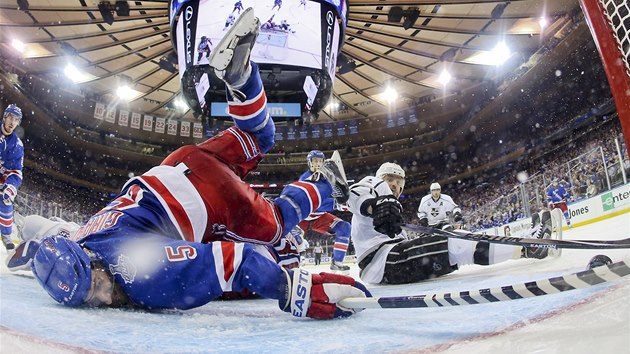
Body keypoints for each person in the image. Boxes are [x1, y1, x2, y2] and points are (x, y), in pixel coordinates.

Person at [26, 8, 370, 319]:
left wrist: (300, 293)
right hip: (178, 163)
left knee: (278, 225)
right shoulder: (80, 235)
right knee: (260, 137)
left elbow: (237, 260)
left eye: (96, 284)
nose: (103, 297)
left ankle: (324, 185)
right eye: (91, 297)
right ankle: (243, 80)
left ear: (93, 262)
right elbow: (41, 238)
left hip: (207, 199)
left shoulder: (135, 273)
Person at [347, 162, 555, 285]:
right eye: (389, 178)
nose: (394, 184)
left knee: (451, 236)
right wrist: (372, 206)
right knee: (453, 243)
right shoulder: (372, 185)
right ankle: (529, 248)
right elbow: (354, 195)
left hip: (389, 261)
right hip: (381, 263)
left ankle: (524, 244)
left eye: (399, 182)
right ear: (379, 178)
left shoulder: (392, 207)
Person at [297, 150, 352, 272]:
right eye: (315, 161)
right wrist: (337, 204)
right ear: (309, 162)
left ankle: (337, 262)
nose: (317, 163)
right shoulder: (306, 179)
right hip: (301, 219)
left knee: (345, 227)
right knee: (294, 243)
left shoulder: (327, 179)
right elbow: (314, 203)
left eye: (320, 161)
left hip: (318, 218)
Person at [0, 104, 24, 250]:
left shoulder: (17, 145)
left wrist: (10, 187)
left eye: (16, 120)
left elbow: (16, 171)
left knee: (6, 200)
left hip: (2, 179)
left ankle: (6, 235)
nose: (12, 122)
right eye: (10, 117)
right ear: (4, 117)